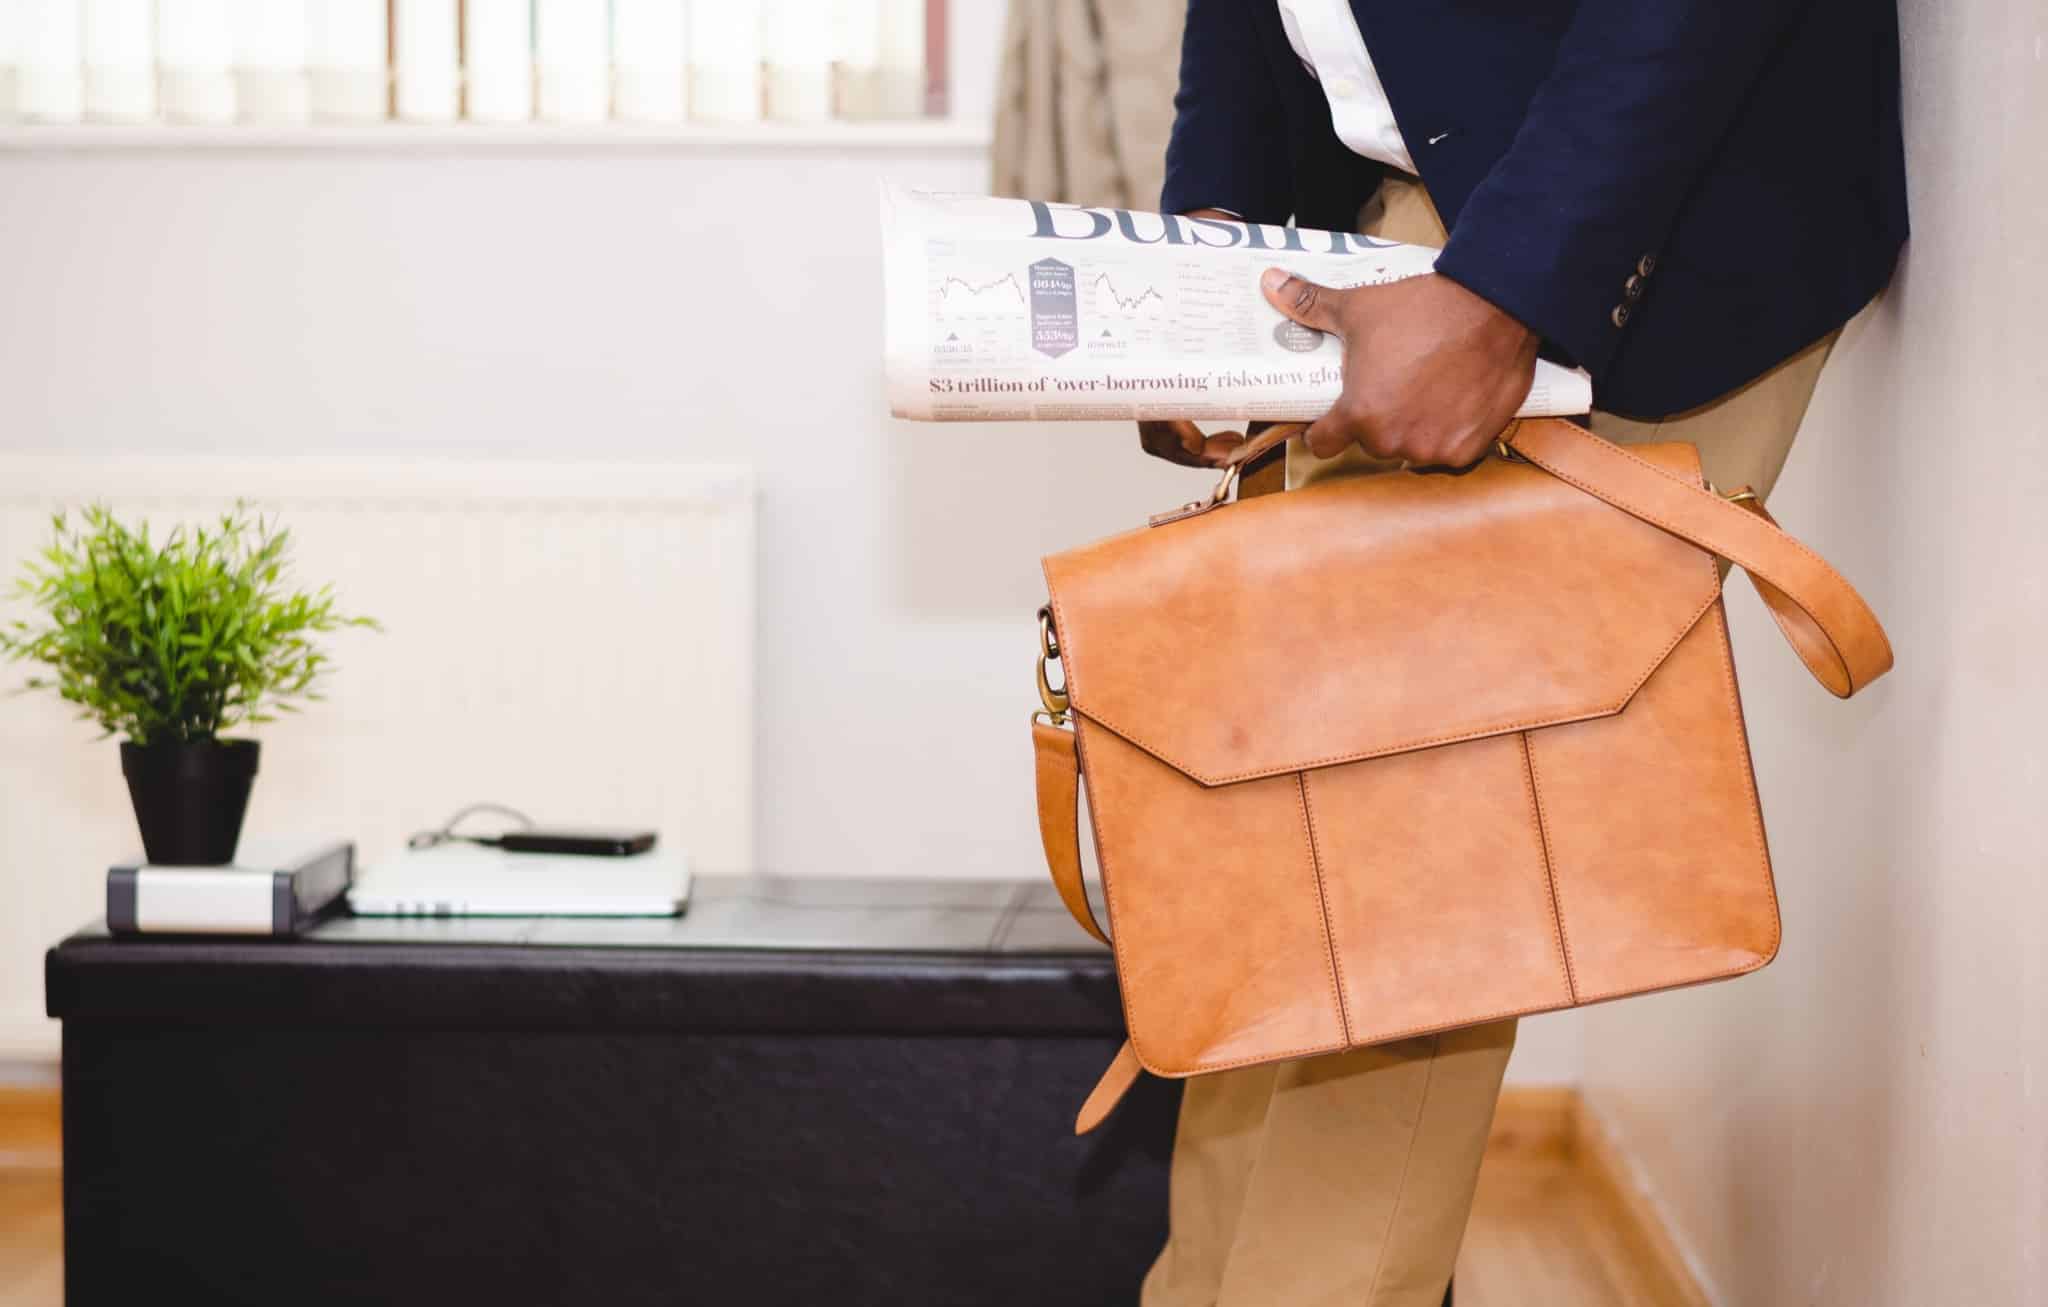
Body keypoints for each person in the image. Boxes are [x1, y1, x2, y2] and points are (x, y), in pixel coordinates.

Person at [1133, 3, 1907, 1306]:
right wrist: (1211, 243)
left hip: (1621, 215)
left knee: (1413, 880)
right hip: (1391, 220)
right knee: (1283, 855)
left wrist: (1510, 290)